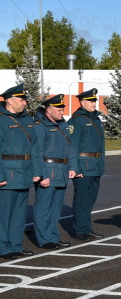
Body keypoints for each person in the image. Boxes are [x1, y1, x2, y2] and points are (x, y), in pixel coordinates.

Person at [0, 85, 42, 259]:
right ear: (9, 100)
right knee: (4, 215)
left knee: (19, 213)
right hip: (7, 174)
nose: (25, 102)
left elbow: (35, 148)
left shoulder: (27, 120)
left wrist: (37, 170)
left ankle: (16, 245)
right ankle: (3, 248)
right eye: (22, 99)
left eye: (25, 100)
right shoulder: (1, 119)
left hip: (24, 173)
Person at [31, 94, 75, 249]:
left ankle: (53, 237)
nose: (62, 112)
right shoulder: (39, 125)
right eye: (59, 109)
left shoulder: (62, 125)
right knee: (43, 209)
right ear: (48, 110)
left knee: (56, 208)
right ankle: (45, 239)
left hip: (62, 171)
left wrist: (73, 167)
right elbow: (37, 152)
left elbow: (70, 147)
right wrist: (42, 175)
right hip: (48, 171)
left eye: (62, 109)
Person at [68, 88, 105, 241]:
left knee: (90, 200)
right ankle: (80, 230)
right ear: (82, 103)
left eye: (94, 101)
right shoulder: (77, 120)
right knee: (82, 200)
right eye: (90, 101)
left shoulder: (96, 119)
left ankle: (87, 228)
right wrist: (75, 167)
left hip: (95, 165)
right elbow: (72, 146)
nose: (93, 103)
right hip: (83, 166)